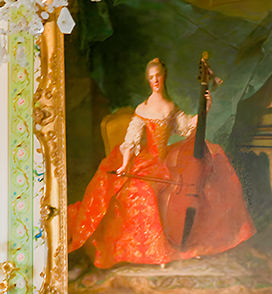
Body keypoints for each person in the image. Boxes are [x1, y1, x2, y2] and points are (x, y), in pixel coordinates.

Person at [67, 56, 254, 268]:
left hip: (168, 159)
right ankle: (159, 252)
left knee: (201, 178)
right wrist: (124, 165)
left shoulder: (171, 106)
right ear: (148, 80)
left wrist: (206, 108)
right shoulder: (142, 109)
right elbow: (131, 140)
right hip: (147, 160)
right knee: (144, 190)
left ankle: (191, 242)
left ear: (164, 78)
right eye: (151, 77)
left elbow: (186, 127)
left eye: (158, 76)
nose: (155, 80)